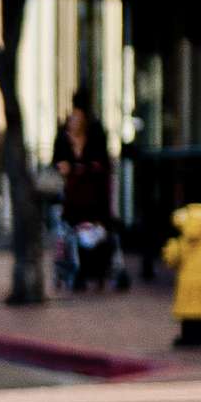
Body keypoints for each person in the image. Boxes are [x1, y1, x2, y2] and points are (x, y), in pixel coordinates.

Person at [52, 97, 120, 291]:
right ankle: (76, 269)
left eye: (79, 119)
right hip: (71, 200)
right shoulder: (63, 141)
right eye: (73, 119)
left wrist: (82, 168)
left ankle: (97, 270)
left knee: (99, 232)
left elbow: (102, 166)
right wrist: (66, 168)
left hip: (92, 200)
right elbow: (57, 164)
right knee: (71, 230)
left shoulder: (94, 142)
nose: (75, 122)